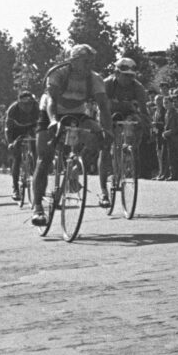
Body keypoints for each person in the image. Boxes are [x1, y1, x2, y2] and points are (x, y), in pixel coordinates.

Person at [30, 44, 111, 226]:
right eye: (85, 61)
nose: (89, 65)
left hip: (77, 112)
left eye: (92, 61)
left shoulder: (94, 78)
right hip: (51, 111)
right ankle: (37, 208)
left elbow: (104, 107)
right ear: (73, 61)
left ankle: (73, 171)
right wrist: (52, 121)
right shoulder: (59, 73)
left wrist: (107, 130)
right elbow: (51, 99)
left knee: (99, 139)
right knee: (44, 157)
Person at [102, 58, 151, 204]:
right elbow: (102, 108)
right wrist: (105, 128)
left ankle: (128, 150)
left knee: (135, 122)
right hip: (107, 113)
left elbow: (143, 110)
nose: (128, 79)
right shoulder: (107, 84)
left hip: (127, 113)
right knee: (104, 148)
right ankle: (104, 191)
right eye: (125, 75)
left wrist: (146, 126)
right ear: (116, 73)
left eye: (131, 76)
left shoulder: (138, 87)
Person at [5, 91, 38, 200]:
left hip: (31, 128)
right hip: (15, 130)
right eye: (24, 104)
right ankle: (15, 188)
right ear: (18, 103)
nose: (27, 107)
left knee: (36, 151)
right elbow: (8, 128)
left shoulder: (37, 107)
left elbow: (42, 124)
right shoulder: (12, 110)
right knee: (17, 158)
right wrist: (10, 142)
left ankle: (36, 175)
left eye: (30, 104)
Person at [162, 95, 178, 180]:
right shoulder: (166, 113)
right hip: (169, 139)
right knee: (171, 157)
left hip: (177, 138)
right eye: (164, 103)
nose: (165, 105)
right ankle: (173, 174)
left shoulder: (176, 113)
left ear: (171, 103)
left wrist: (170, 132)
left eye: (167, 103)